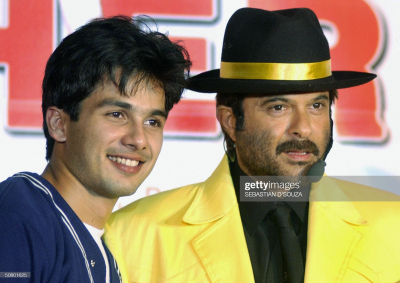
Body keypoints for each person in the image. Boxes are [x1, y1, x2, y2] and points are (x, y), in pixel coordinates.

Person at [104, 8, 400, 283]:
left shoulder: (392, 225)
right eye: (278, 107)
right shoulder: (136, 234)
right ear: (230, 121)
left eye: (317, 105)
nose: (304, 127)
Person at [0, 16, 190, 283]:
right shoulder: (18, 217)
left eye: (152, 121)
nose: (139, 139)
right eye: (116, 114)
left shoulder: (108, 256)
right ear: (59, 124)